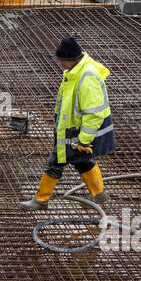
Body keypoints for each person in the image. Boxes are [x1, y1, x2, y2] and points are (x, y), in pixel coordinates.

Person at [19, 35, 115, 210]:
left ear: (72, 59)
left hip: (79, 133)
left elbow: (94, 114)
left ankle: (40, 200)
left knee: (55, 162)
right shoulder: (73, 72)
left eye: (62, 60)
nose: (60, 63)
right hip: (70, 130)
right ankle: (100, 195)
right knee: (82, 161)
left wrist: (84, 140)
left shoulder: (87, 78)